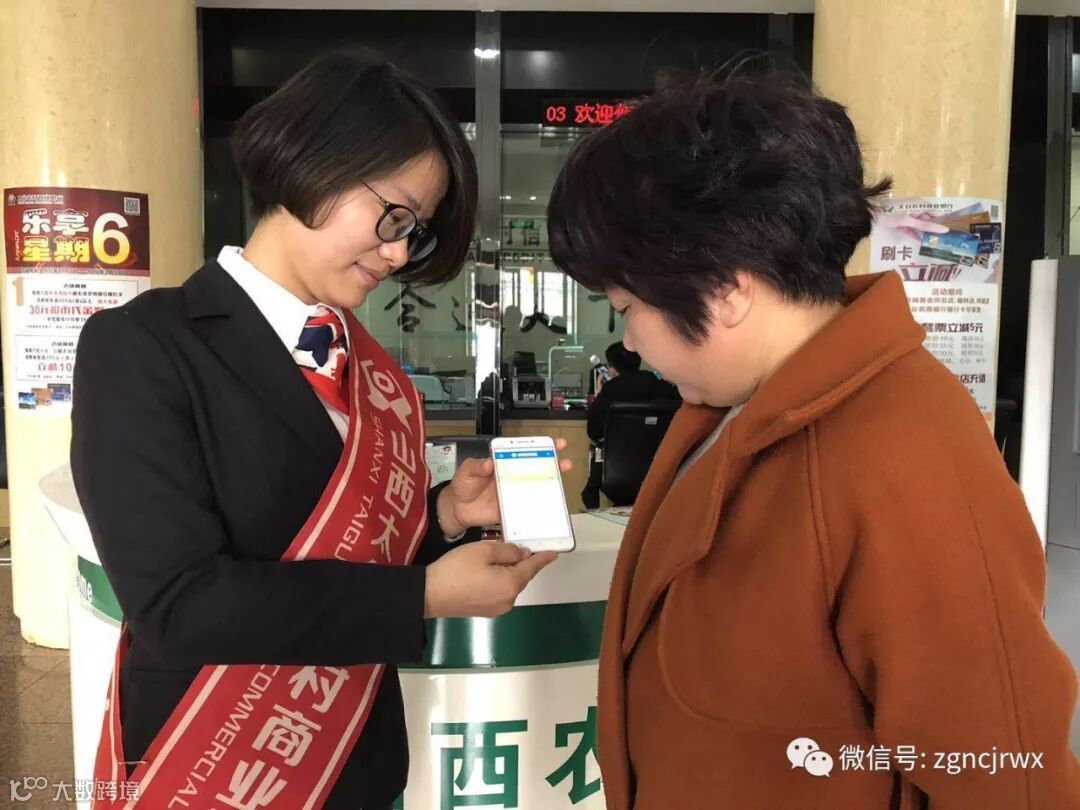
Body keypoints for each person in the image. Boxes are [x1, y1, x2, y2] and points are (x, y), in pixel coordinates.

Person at [547, 68, 1080, 809]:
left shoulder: (902, 448)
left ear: (725, 292)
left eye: (627, 306)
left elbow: (1007, 777)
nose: (629, 341)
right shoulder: (731, 407)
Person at [71, 50, 562, 810]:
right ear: (314, 163)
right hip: (210, 761)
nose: (398, 253)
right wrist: (421, 597)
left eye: (416, 232)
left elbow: (353, 550)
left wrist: (443, 514)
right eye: (394, 217)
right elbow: (176, 602)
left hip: (357, 757)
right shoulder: (143, 346)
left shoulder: (372, 374)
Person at [581, 341, 679, 509]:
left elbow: (594, 431)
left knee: (598, 451)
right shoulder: (662, 386)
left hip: (617, 471)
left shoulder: (611, 389)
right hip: (660, 471)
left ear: (613, 368)